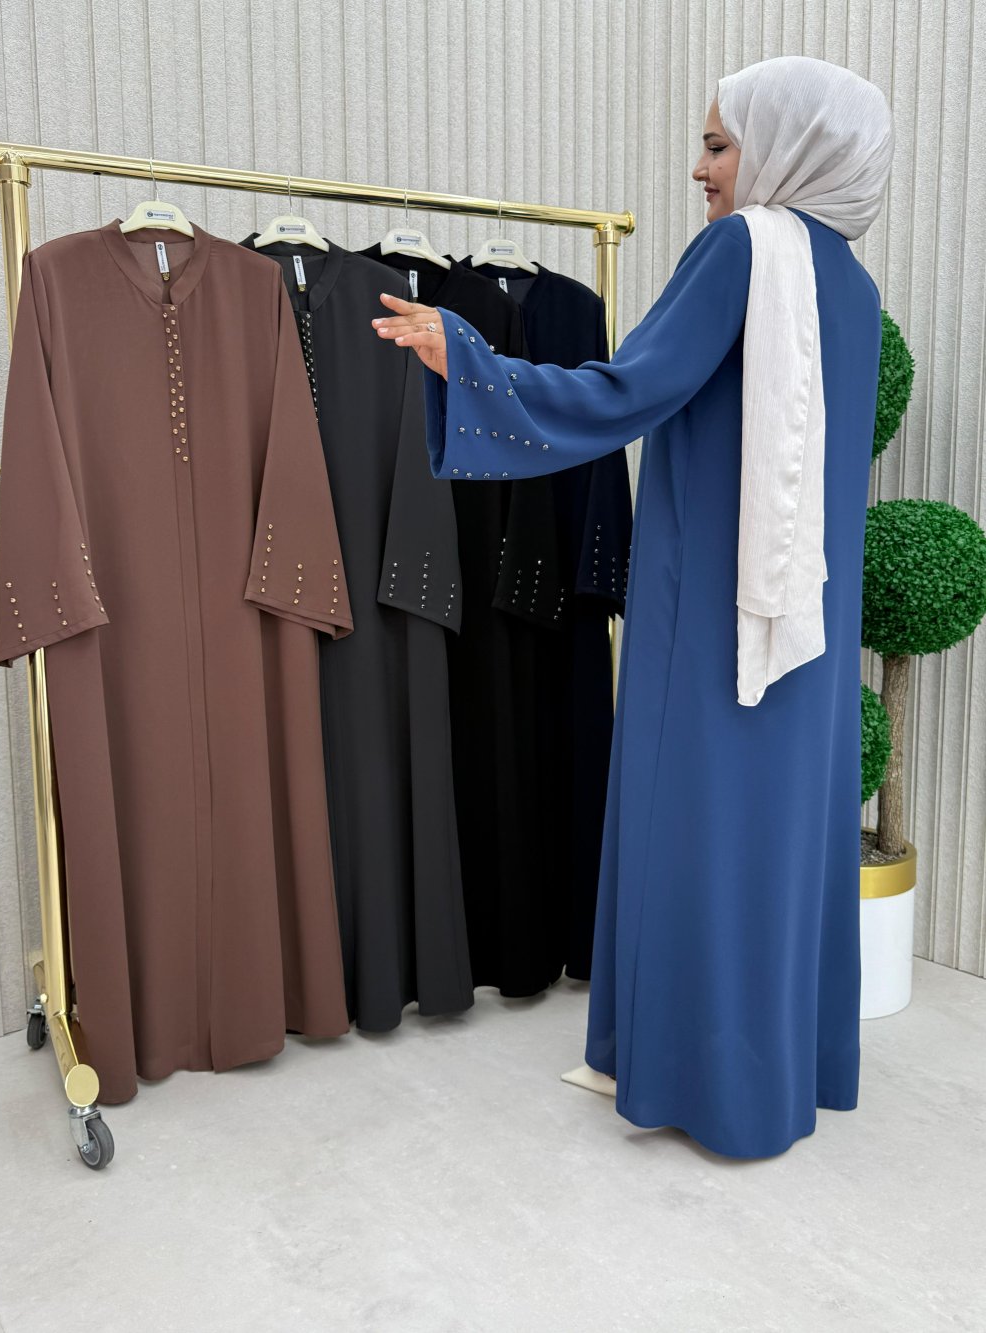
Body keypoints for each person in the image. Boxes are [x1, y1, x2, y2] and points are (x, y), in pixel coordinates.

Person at [371, 56, 894, 1158]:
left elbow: (626, 391)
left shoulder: (744, 249)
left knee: (689, 828)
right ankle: (780, 1066)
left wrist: (470, 361)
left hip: (710, 611)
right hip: (805, 620)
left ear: (785, 145)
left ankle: (700, 1082)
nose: (699, 168)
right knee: (774, 838)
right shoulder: (851, 286)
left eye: (718, 143)